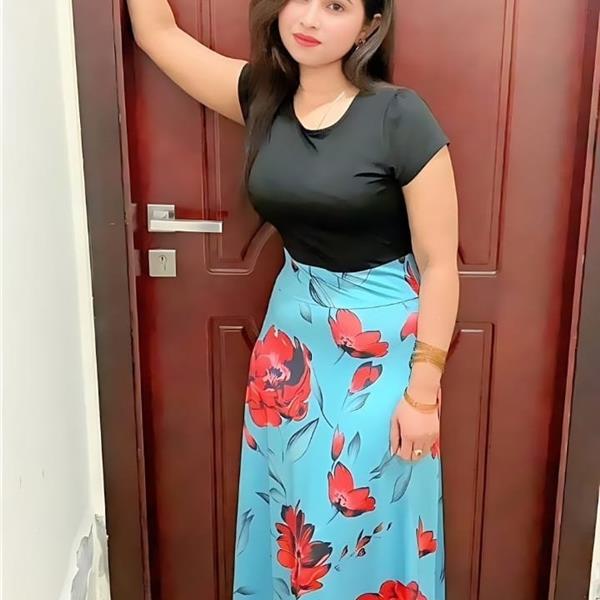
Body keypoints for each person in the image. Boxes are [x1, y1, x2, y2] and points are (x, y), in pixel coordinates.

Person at [126, 0, 459, 598]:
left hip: (380, 354)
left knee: (362, 520)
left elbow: (439, 266)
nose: (309, 18)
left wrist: (423, 393)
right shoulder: (262, 97)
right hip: (290, 349)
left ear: (370, 24)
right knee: (293, 517)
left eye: (335, 6)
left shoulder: (400, 116)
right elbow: (157, 33)